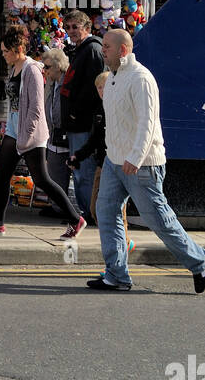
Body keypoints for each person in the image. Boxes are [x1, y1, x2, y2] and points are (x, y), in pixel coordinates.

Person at [88, 28, 205, 293]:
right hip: (114, 161)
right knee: (106, 214)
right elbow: (117, 124)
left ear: (123, 50)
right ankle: (116, 275)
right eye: (103, 45)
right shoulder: (115, 79)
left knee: (159, 221)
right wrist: (111, 155)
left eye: (107, 46)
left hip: (141, 165)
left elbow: (147, 123)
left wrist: (136, 156)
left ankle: (200, 263)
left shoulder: (141, 78)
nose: (103, 49)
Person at [0, 26, 85, 238]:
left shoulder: (32, 69)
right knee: (2, 175)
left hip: (30, 133)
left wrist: (26, 136)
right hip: (14, 127)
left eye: (5, 51)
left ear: (17, 49)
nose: (3, 54)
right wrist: (12, 128)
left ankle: (75, 219)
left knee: (42, 180)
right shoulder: (14, 68)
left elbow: (36, 108)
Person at [69, 71, 132, 253]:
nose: (101, 90)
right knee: (95, 209)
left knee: (116, 210)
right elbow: (95, 139)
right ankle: (120, 244)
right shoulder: (99, 110)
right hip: (103, 164)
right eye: (98, 87)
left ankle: (122, 246)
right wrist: (78, 156)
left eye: (104, 86)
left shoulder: (119, 108)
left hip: (118, 164)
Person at [60, 10, 105, 224]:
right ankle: (86, 214)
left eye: (75, 27)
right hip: (77, 121)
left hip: (83, 122)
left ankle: (89, 214)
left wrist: (76, 111)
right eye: (68, 27)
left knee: (83, 171)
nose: (71, 31)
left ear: (86, 27)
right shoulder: (81, 50)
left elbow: (95, 87)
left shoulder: (92, 50)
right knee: (78, 170)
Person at [40, 47, 71, 218]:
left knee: (67, 174)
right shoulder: (53, 83)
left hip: (66, 134)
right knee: (54, 173)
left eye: (48, 67)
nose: (45, 70)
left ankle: (69, 211)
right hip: (53, 135)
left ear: (58, 66)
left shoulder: (67, 82)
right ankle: (57, 206)